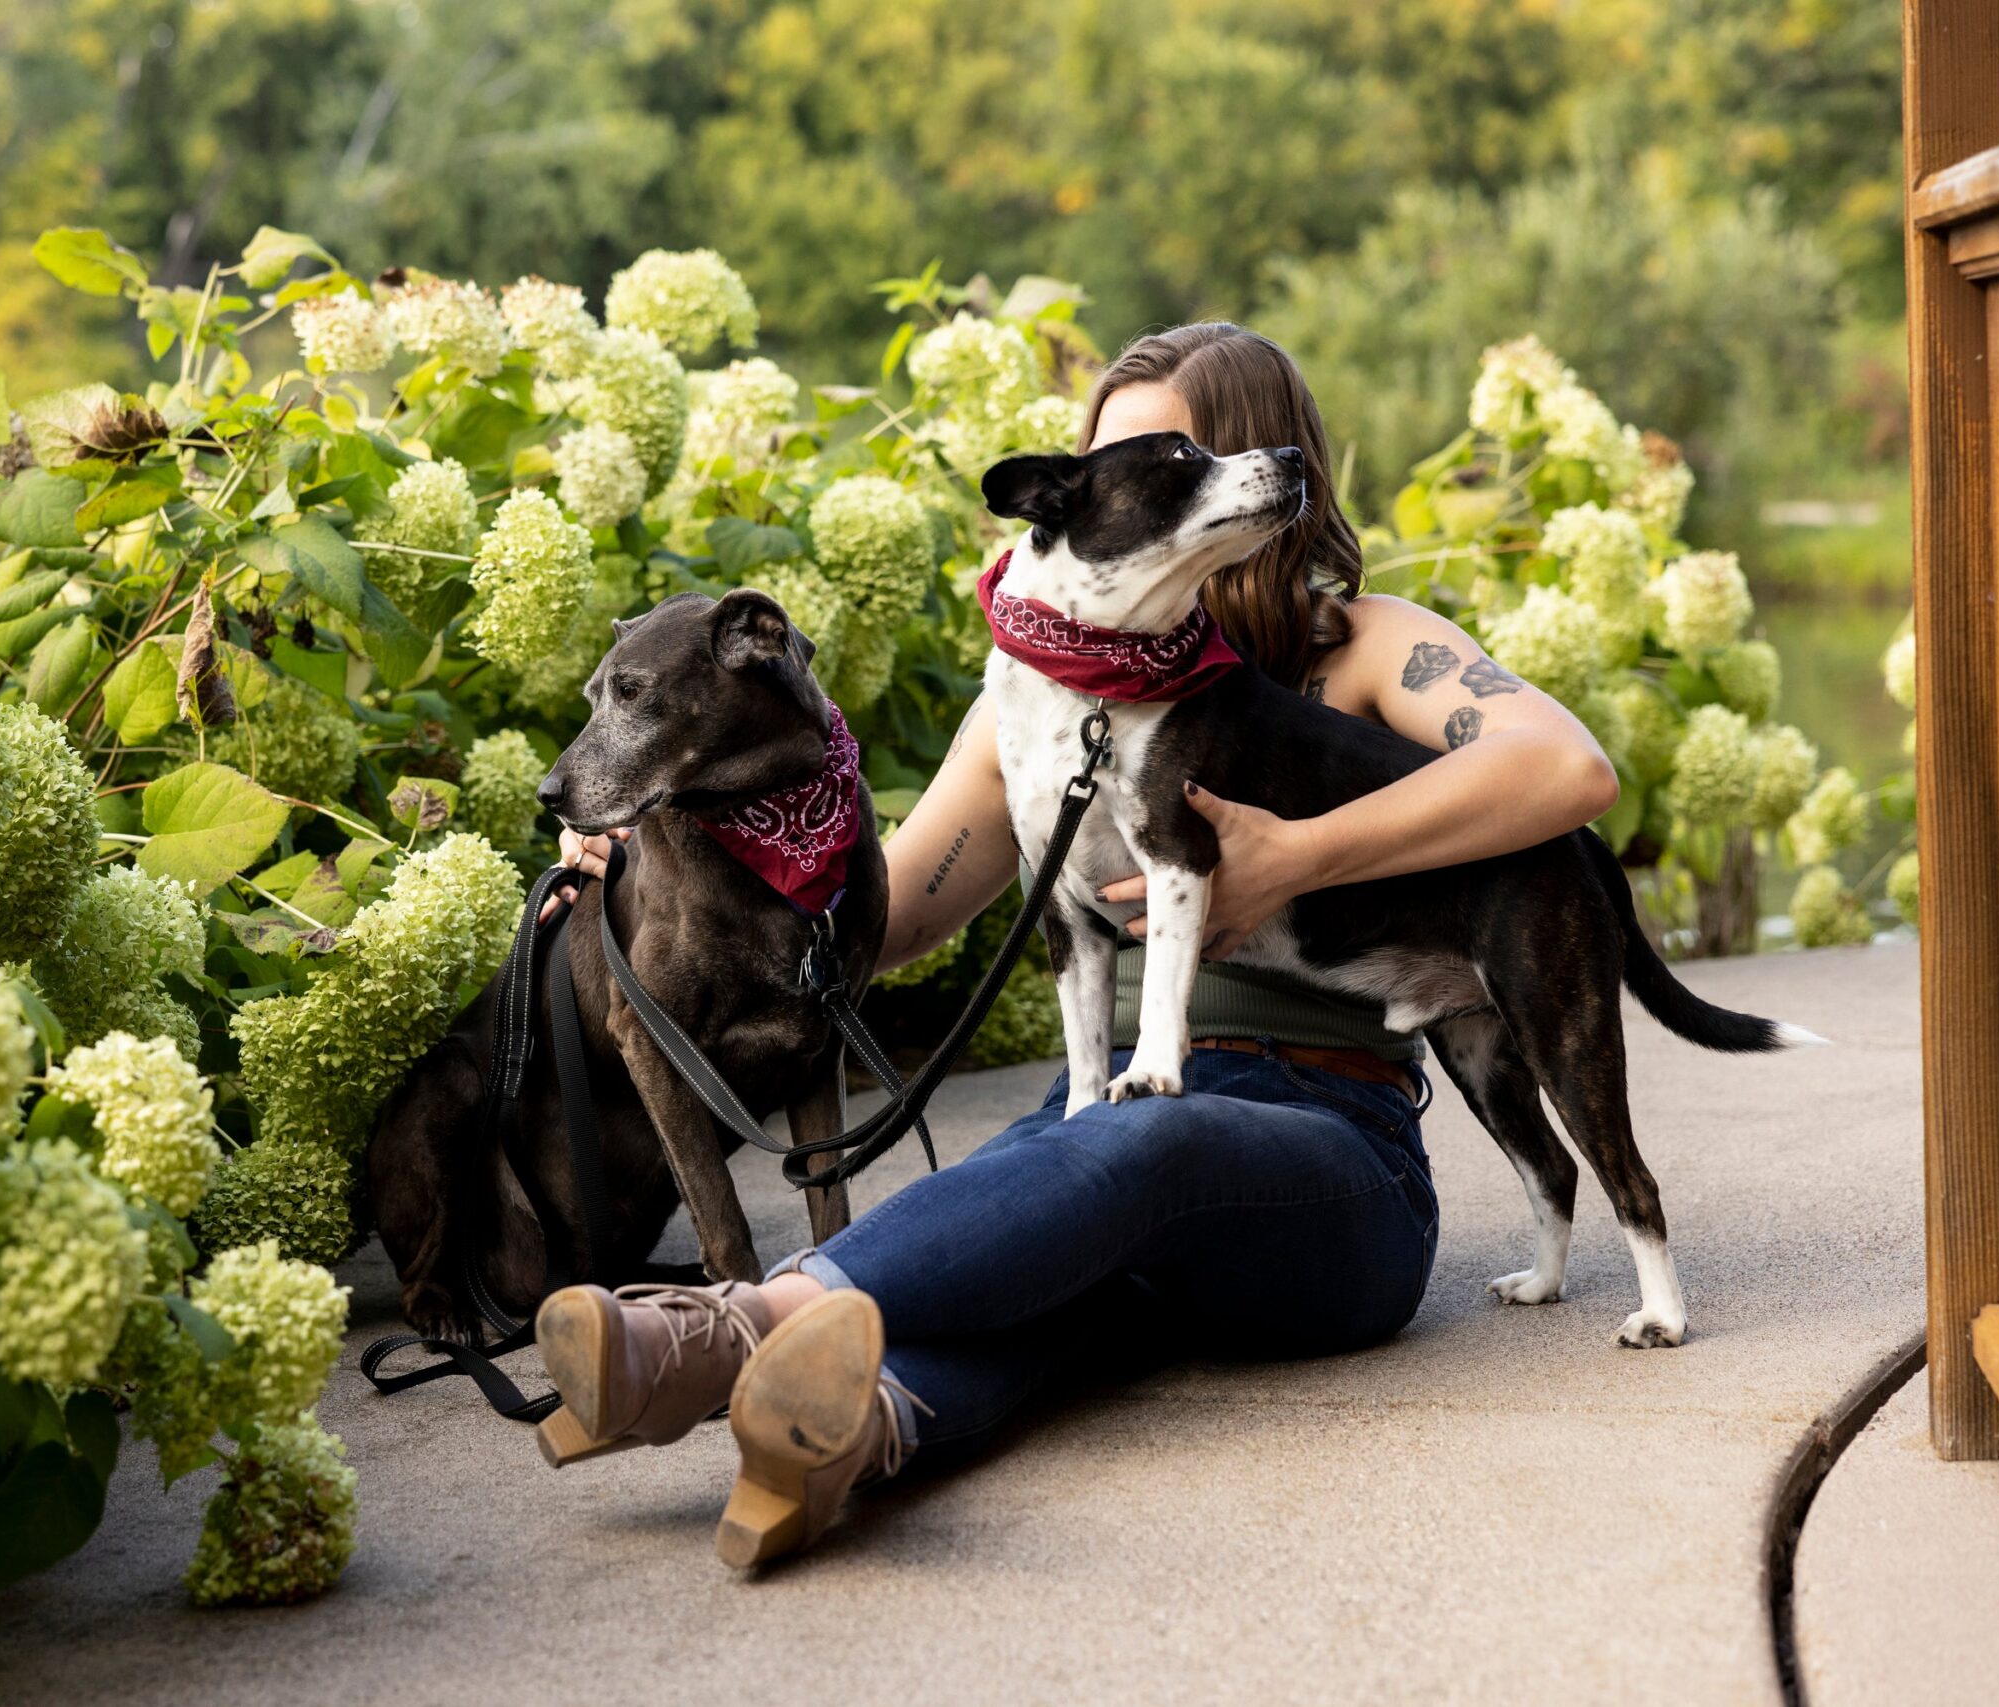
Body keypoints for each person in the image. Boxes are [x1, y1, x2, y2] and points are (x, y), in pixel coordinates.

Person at [529, 321, 1621, 1568]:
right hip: (1098, 1119)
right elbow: (885, 918)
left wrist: (1300, 855)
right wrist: (681, 834)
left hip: (1333, 1163)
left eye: (1162, 458)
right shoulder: (1035, 699)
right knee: (1052, 1259)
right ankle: (837, 1438)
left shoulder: (1362, 647)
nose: (1108, 494)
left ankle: (724, 1336)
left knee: (1132, 1147)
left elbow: (1563, 769)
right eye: (1104, 464)